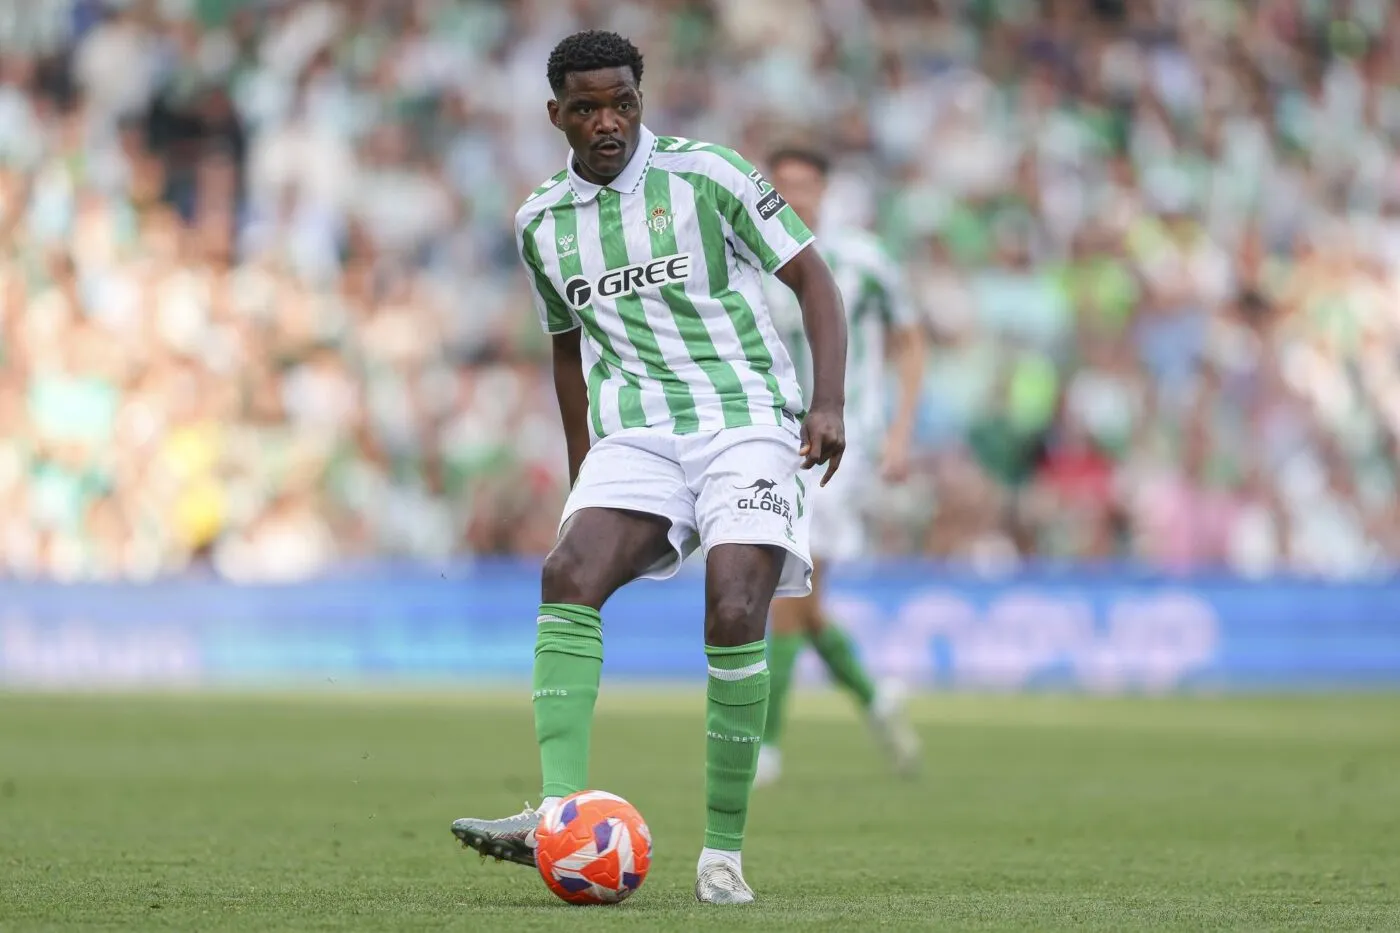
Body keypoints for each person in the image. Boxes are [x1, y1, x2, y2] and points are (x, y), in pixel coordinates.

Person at [449, 31, 848, 906]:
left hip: (745, 417)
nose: (608, 121)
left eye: (622, 102)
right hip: (639, 432)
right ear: (555, 114)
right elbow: (566, 349)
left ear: (640, 99)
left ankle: (723, 856)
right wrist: (584, 466)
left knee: (735, 606)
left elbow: (815, 281)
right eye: (586, 107)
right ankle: (557, 812)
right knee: (568, 571)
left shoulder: (708, 175)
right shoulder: (539, 222)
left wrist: (827, 403)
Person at [756, 147, 925, 787]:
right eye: (784, 184)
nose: (795, 195)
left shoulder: (863, 261)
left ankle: (766, 750)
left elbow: (910, 342)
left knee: (783, 586)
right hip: (769, 442)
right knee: (803, 600)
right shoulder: (752, 258)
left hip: (838, 450)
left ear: (825, 190)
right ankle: (874, 698)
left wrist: (900, 433)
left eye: (806, 184)